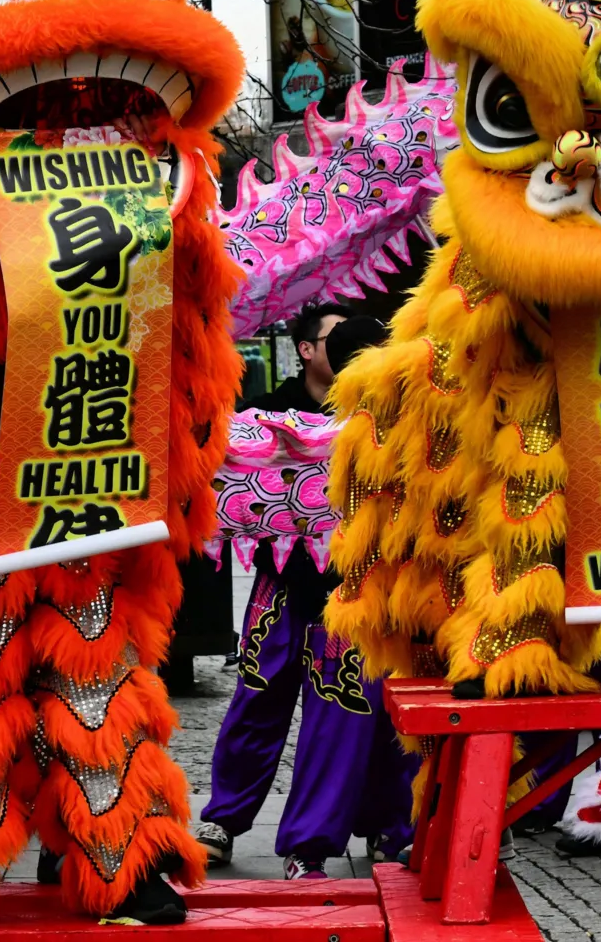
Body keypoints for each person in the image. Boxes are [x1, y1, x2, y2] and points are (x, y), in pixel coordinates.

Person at [197, 309, 417, 879]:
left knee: (347, 716)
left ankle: (350, 836)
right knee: (258, 698)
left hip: (358, 594)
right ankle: (225, 817)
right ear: (310, 351)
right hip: (280, 582)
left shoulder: (402, 420)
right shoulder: (270, 411)